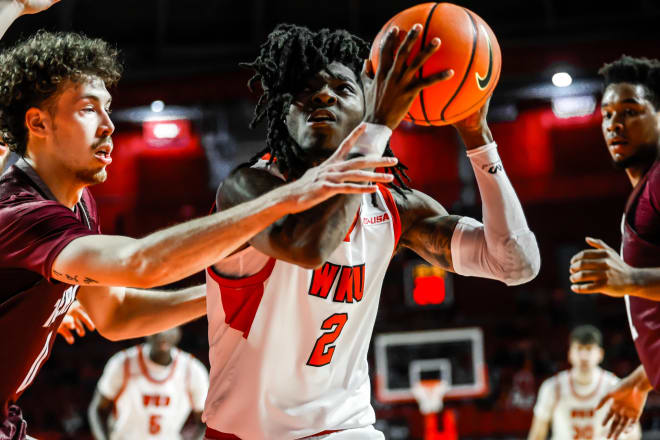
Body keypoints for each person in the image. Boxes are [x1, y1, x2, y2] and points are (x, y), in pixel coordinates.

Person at [0, 2, 396, 437]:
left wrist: (225, 295)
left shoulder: (77, 204)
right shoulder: (21, 211)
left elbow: (116, 315)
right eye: (88, 109)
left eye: (108, 107)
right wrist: (292, 195)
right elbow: (139, 263)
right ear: (38, 123)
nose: (110, 125)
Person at [203, 23, 540, 439]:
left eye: (343, 89)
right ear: (280, 109)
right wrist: (378, 124)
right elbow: (309, 246)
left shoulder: (393, 206)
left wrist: (478, 138)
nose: (322, 95)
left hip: (347, 428)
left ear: (363, 106)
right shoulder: (246, 189)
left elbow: (515, 264)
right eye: (304, 90)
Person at [569, 55, 660, 438]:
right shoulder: (644, 190)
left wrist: (631, 278)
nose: (615, 124)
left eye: (631, 111)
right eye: (607, 114)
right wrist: (642, 379)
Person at [88, 328, 208, 440]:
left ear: (179, 330)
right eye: (158, 326)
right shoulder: (122, 363)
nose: (163, 333)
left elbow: (206, 422)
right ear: (146, 329)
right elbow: (97, 410)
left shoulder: (193, 370)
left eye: (170, 326)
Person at [527, 325, 640, 440]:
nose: (584, 356)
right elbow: (537, 435)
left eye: (589, 349)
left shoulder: (615, 385)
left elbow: (633, 434)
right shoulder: (552, 387)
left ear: (600, 354)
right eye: (579, 348)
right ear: (570, 354)